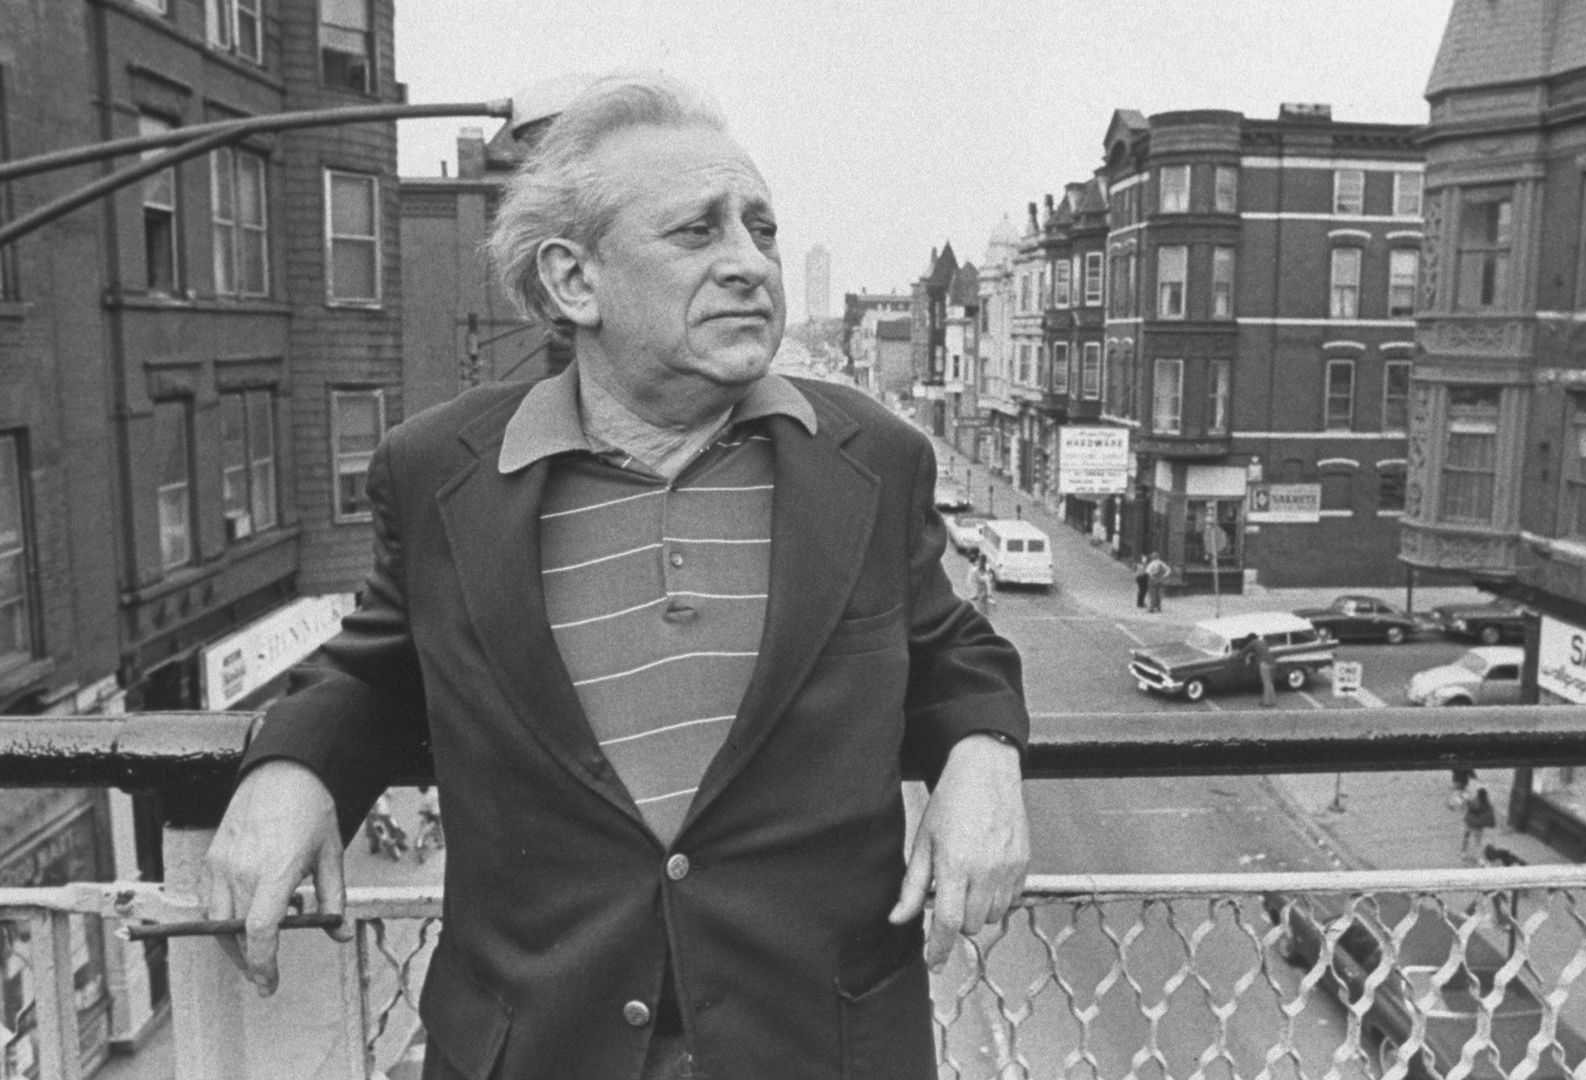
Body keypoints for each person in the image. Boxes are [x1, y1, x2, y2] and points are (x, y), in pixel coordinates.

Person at [202, 74, 1030, 1080]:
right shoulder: (441, 475)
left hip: (820, 1047)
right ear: (573, 283)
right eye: (697, 232)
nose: (749, 263)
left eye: (762, 229)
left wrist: (983, 756)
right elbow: (378, 672)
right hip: (538, 1049)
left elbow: (948, 649)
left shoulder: (869, 458)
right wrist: (291, 771)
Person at [1461, 783, 1497, 864]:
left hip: (1470, 823)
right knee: (1477, 843)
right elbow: (1490, 812)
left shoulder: (1475, 801)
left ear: (1478, 794)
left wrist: (1466, 798)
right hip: (1478, 826)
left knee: (1466, 837)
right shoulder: (1487, 804)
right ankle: (1479, 859)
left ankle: (1463, 852)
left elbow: (1469, 805)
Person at [1244, 632, 1277, 707]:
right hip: (1272, 663)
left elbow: (1244, 650)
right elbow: (1263, 651)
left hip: (1264, 663)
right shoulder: (1263, 642)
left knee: (1266, 683)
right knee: (1270, 683)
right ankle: (1272, 700)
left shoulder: (1253, 642)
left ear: (1250, 639)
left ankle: (1267, 702)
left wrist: (1237, 654)